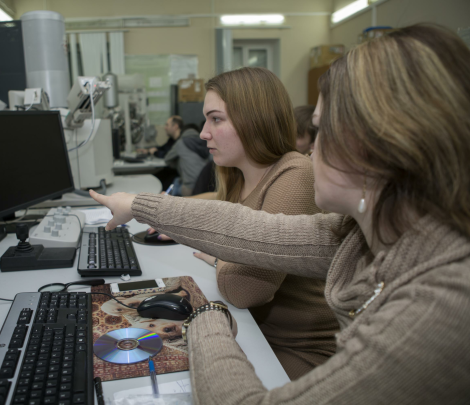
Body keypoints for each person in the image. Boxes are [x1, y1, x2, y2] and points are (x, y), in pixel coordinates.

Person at [90, 23, 470, 404]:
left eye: (321, 133)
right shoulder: (364, 233)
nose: (310, 152)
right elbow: (253, 229)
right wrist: (140, 205)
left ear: (375, 148)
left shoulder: (440, 306)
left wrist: (205, 318)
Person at [167, 67, 339, 379]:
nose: (204, 132)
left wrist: (220, 255)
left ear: (253, 120)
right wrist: (163, 211)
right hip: (254, 331)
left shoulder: (295, 174)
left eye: (216, 119)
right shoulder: (238, 174)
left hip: (300, 349)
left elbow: (244, 289)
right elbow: (216, 205)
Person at [164, 123, 210, 196]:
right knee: (177, 180)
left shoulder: (181, 142)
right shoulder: (206, 143)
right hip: (206, 186)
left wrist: (178, 163)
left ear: (183, 132)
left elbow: (167, 160)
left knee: (174, 184)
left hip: (190, 188)